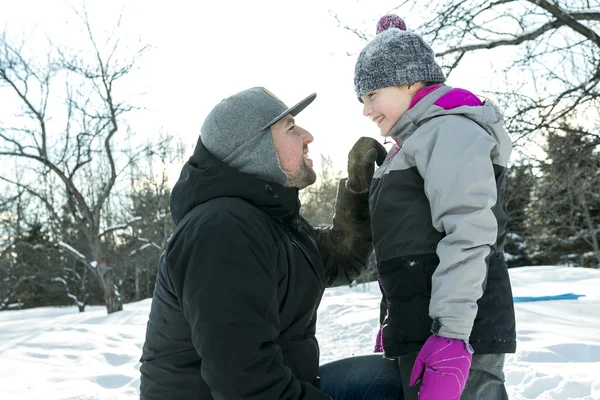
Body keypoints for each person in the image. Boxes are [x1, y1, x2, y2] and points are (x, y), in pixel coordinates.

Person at [139, 87, 395, 399]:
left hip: (276, 387)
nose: (307, 135)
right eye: (290, 128)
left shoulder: (270, 220)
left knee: (391, 380)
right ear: (254, 150)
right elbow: (246, 384)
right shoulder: (221, 232)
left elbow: (340, 260)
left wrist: (358, 189)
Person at [352, 14, 517, 400]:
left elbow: (469, 232)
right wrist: (399, 315)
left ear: (410, 81)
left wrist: (454, 336)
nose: (365, 110)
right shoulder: (420, 139)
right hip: (429, 325)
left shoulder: (448, 130)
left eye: (371, 95)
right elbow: (411, 242)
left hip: (459, 332)